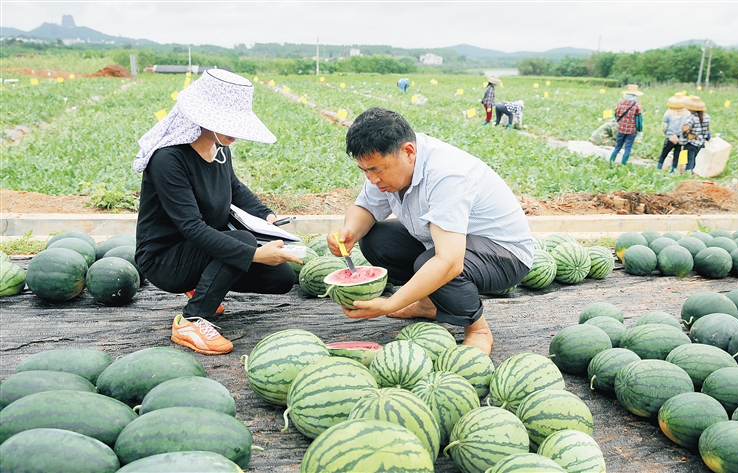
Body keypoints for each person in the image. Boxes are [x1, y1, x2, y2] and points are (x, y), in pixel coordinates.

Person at [327, 108, 534, 355]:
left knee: (434, 263)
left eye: (376, 170)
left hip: (505, 254)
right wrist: (350, 231)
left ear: (408, 152)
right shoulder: (389, 167)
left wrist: (391, 303)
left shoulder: (446, 173)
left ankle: (478, 329)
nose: (372, 179)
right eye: (365, 170)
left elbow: (449, 262)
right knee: (376, 240)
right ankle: (428, 304)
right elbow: (366, 208)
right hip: (452, 242)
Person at [133, 69, 302, 355]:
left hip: (202, 247)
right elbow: (192, 227)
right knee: (243, 243)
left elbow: (234, 187)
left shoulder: (219, 148)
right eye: (228, 124)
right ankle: (190, 321)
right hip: (164, 258)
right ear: (204, 118)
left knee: (282, 278)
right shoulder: (168, 159)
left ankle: (202, 284)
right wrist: (254, 254)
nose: (236, 133)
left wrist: (267, 217)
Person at [609, 84, 643, 166]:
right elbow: (639, 118)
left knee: (618, 146)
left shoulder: (620, 103)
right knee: (628, 147)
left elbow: (616, 114)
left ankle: (611, 161)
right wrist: (639, 128)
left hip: (621, 129)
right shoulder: (637, 105)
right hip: (631, 130)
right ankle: (623, 164)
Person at [657, 93, 690, 172]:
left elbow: (664, 127)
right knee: (677, 154)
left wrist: (667, 134)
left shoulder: (668, 113)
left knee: (664, 153)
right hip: (681, 137)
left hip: (670, 136)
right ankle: (673, 170)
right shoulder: (687, 113)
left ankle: (658, 167)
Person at [678, 96, 710, 175]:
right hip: (700, 141)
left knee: (689, 158)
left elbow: (686, 128)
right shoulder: (706, 117)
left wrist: (684, 133)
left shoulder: (691, 118)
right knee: (694, 158)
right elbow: (707, 129)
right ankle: (691, 172)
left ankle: (688, 173)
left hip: (691, 141)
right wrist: (708, 137)